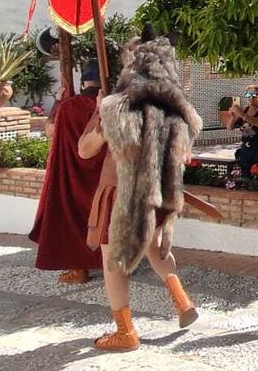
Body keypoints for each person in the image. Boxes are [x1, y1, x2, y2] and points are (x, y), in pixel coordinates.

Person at [79, 35, 203, 351]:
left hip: (121, 193)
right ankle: (183, 302)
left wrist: (105, 123)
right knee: (155, 248)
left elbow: (85, 150)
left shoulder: (115, 102)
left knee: (115, 263)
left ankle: (125, 333)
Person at [28, 62, 106, 284]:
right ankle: (116, 266)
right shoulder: (116, 105)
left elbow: (50, 130)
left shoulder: (70, 106)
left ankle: (78, 268)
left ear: (83, 82)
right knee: (108, 218)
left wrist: (58, 102)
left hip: (75, 176)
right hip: (107, 177)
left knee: (73, 219)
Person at [231, 85, 258, 182]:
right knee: (245, 175)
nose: (251, 98)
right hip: (246, 147)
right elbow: (230, 127)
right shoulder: (245, 110)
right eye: (248, 95)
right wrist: (233, 116)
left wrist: (241, 114)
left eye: (254, 95)